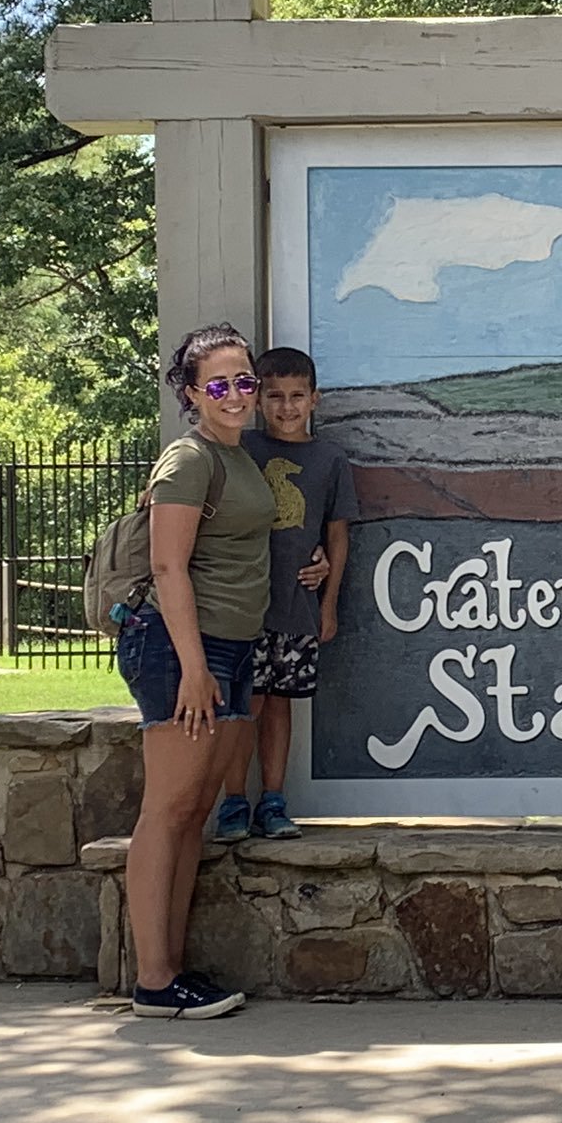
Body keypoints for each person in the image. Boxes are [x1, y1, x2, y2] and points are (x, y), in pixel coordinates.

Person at [116, 323, 276, 1019]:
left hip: (232, 649)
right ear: (191, 393)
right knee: (169, 810)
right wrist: (191, 669)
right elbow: (166, 565)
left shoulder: (238, 457)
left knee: (192, 816)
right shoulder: (187, 461)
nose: (237, 394)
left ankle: (173, 970)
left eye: (246, 381)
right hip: (185, 650)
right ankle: (154, 980)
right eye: (220, 384)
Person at [211, 346, 359, 843]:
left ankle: (273, 800)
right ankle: (234, 801)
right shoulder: (240, 450)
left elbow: (337, 534)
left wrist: (329, 601)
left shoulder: (330, 459)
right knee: (243, 703)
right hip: (243, 606)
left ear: (314, 399)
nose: (287, 407)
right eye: (275, 396)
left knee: (280, 703)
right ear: (258, 401)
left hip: (297, 606)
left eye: (297, 396)